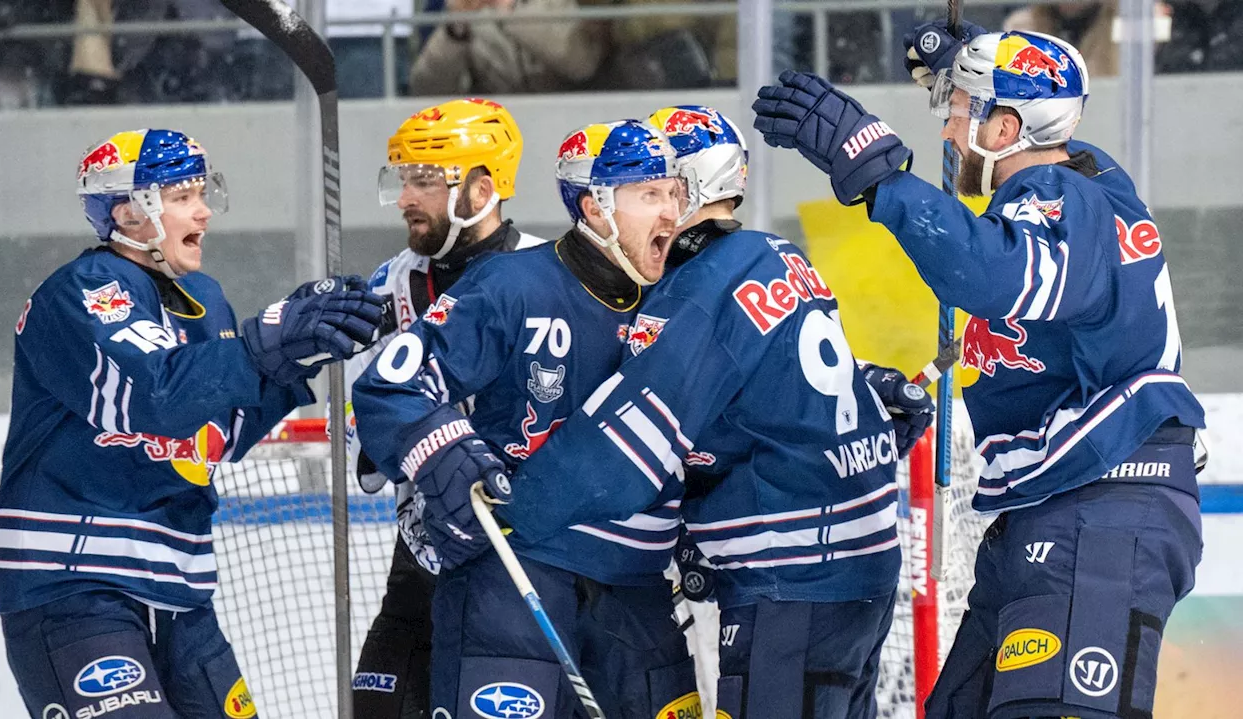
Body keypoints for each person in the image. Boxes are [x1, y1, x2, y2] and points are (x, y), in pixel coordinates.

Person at [754, 27, 1206, 719]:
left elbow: (989, 272)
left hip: (1104, 510)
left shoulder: (1061, 201)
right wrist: (968, 69)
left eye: (960, 111)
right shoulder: (1088, 179)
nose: (948, 128)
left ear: (1005, 127)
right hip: (1056, 510)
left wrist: (877, 172)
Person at [497, 104, 934, 719]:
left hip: (792, 580)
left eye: (658, 185)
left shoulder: (700, 288)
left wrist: (511, 508)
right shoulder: (776, 254)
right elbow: (775, 385)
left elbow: (632, 439)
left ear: (688, 187)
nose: (652, 205)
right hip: (860, 566)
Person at [0, 128, 384, 719]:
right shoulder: (79, 294)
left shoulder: (204, 296)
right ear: (128, 211)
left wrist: (290, 358)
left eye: (202, 192)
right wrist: (262, 344)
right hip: (75, 587)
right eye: (180, 196)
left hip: (180, 592)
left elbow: (216, 434)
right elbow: (153, 393)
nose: (202, 211)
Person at [352, 119, 702, 719]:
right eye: (650, 195)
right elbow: (390, 386)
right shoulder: (514, 285)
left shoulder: (686, 300)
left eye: (674, 193)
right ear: (596, 208)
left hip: (641, 598)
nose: (671, 212)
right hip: (517, 581)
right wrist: (449, 461)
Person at [344, 97, 545, 719]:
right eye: (402, 179)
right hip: (422, 557)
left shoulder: (550, 273)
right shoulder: (388, 285)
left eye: (426, 180)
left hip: (531, 558)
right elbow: (362, 433)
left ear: (483, 188)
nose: (407, 196)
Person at [408, 0, 608, 95]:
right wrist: (455, 28)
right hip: (494, 126)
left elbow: (581, 65)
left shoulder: (561, 4)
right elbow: (427, 90)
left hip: (568, 118)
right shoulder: (471, 12)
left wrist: (509, 12)